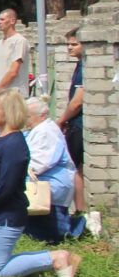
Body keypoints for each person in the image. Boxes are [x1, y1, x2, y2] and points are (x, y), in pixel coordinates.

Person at [0, 91, 80, 277]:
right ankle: (54, 257)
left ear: (10, 112)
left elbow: (6, 185)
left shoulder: (14, 144)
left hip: (5, 213)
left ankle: (56, 258)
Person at [23, 97, 84, 243]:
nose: (25, 120)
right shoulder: (37, 130)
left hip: (50, 187)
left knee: (55, 233)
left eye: (28, 116)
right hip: (44, 187)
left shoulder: (46, 131)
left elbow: (38, 163)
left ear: (42, 115)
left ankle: (80, 227)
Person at [57, 29, 87, 224]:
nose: (70, 47)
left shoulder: (85, 67)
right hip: (75, 123)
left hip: (79, 123)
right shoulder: (79, 65)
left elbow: (78, 101)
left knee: (75, 168)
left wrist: (61, 120)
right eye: (68, 44)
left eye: (74, 44)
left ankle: (80, 210)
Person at [0, 8, 29, 96]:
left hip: (14, 95)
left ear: (12, 21)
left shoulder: (19, 41)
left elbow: (13, 71)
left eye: (2, 19)